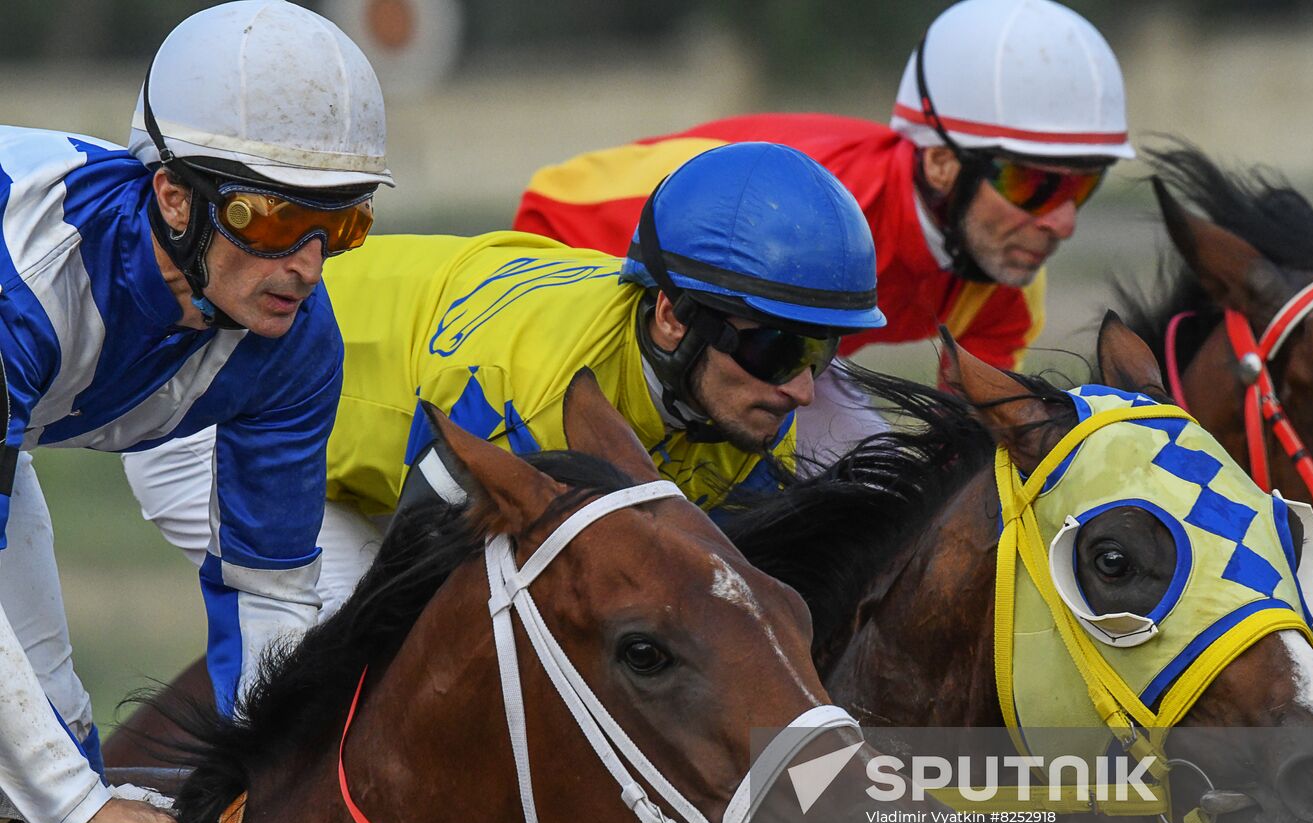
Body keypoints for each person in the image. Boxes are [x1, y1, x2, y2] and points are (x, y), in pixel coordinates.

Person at [124, 141, 884, 621]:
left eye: (820, 354)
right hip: (220, 406)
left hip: (386, 450)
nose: (803, 391)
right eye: (779, 351)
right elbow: (416, 590)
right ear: (674, 318)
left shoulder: (736, 396)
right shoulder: (530, 391)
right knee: (355, 653)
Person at [0, 0, 391, 823]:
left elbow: (272, 592)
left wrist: (287, 799)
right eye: (269, 219)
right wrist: (78, 810)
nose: (305, 265)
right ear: (174, 197)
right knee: (58, 795)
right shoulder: (27, 284)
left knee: (50, 737)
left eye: (340, 226)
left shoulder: (295, 344)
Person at [513, 0, 1133, 459]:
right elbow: (552, 202)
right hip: (574, 256)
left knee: (879, 491)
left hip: (759, 339)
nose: (1063, 221)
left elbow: (967, 445)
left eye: (1084, 186)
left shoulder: (1009, 283)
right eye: (1034, 185)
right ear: (942, 162)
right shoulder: (836, 215)